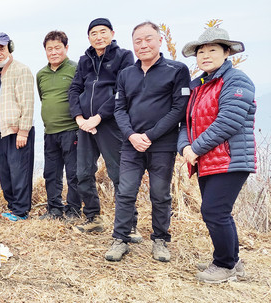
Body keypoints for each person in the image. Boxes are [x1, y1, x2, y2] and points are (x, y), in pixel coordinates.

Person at [107, 21, 190, 262]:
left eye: (148, 39)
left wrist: (150, 136)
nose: (143, 45)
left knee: (160, 194)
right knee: (125, 191)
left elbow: (178, 109)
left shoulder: (176, 70)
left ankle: (161, 240)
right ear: (132, 44)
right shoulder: (126, 74)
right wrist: (132, 136)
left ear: (160, 40)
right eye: (138, 41)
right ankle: (120, 239)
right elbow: (119, 108)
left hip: (162, 145)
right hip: (131, 144)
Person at [178, 28, 255, 283]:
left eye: (212, 50)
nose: (206, 55)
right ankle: (232, 261)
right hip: (208, 161)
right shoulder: (200, 86)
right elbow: (186, 123)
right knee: (220, 212)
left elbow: (228, 122)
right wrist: (184, 147)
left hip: (231, 159)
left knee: (214, 211)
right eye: (201, 52)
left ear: (226, 52)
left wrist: (194, 148)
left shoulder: (236, 80)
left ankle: (225, 265)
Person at [68, 18, 140, 240]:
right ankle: (93, 218)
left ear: (112, 33)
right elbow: (74, 89)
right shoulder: (84, 60)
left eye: (103, 32)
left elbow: (123, 91)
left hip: (111, 124)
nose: (99, 37)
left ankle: (128, 224)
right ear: (88, 37)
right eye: (93, 33)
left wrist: (98, 117)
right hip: (85, 125)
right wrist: (79, 117)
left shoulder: (124, 56)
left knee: (118, 173)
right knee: (83, 173)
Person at [0, 33, 35, 222]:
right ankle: (13, 207)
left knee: (20, 172)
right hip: (3, 132)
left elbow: (28, 102)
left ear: (10, 49)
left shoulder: (21, 69)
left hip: (18, 132)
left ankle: (21, 211)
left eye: (2, 49)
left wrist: (23, 131)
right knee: (6, 173)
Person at [36, 30, 80, 221]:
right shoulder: (41, 74)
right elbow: (43, 97)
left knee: (73, 173)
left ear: (66, 48)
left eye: (57, 48)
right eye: (49, 49)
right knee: (51, 173)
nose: (53, 52)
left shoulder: (75, 69)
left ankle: (73, 210)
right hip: (50, 131)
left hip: (71, 130)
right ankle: (54, 209)